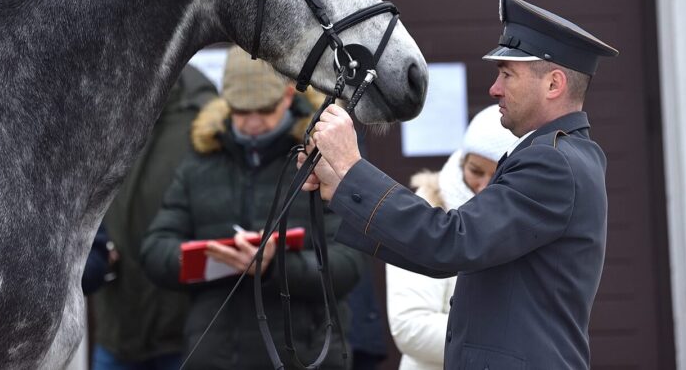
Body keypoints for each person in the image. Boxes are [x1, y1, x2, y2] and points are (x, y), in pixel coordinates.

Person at [301, 0, 619, 369]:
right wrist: (341, 190)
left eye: (507, 74)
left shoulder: (552, 162)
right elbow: (444, 251)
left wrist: (352, 167)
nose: (494, 89)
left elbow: (450, 242)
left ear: (554, 84)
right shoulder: (563, 156)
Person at [141, 47, 364, 370]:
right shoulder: (200, 163)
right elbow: (154, 251)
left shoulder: (319, 161)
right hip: (216, 356)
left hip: (304, 356)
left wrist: (275, 266)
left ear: (288, 96)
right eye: (241, 111)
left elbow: (348, 264)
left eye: (265, 109)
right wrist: (204, 256)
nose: (253, 122)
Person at [87, 64, 217, 370]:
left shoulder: (203, 116)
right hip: (116, 325)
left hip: (183, 330)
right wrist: (97, 252)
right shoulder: (102, 112)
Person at [386, 104, 516, 370]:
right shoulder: (427, 210)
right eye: (475, 171)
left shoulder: (520, 216)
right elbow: (410, 325)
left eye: (497, 176)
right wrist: (505, 342)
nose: (483, 188)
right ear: (461, 161)